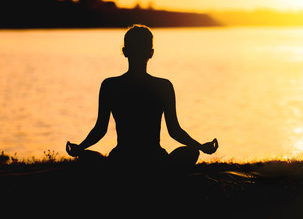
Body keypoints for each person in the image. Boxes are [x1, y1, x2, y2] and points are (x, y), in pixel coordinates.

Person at [66, 24, 218, 169]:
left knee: (86, 157)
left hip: (122, 159)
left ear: (125, 51)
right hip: (155, 160)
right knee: (191, 152)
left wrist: (80, 148)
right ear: (151, 53)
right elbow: (174, 131)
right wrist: (200, 147)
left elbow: (100, 129)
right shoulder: (163, 86)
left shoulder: (110, 85)